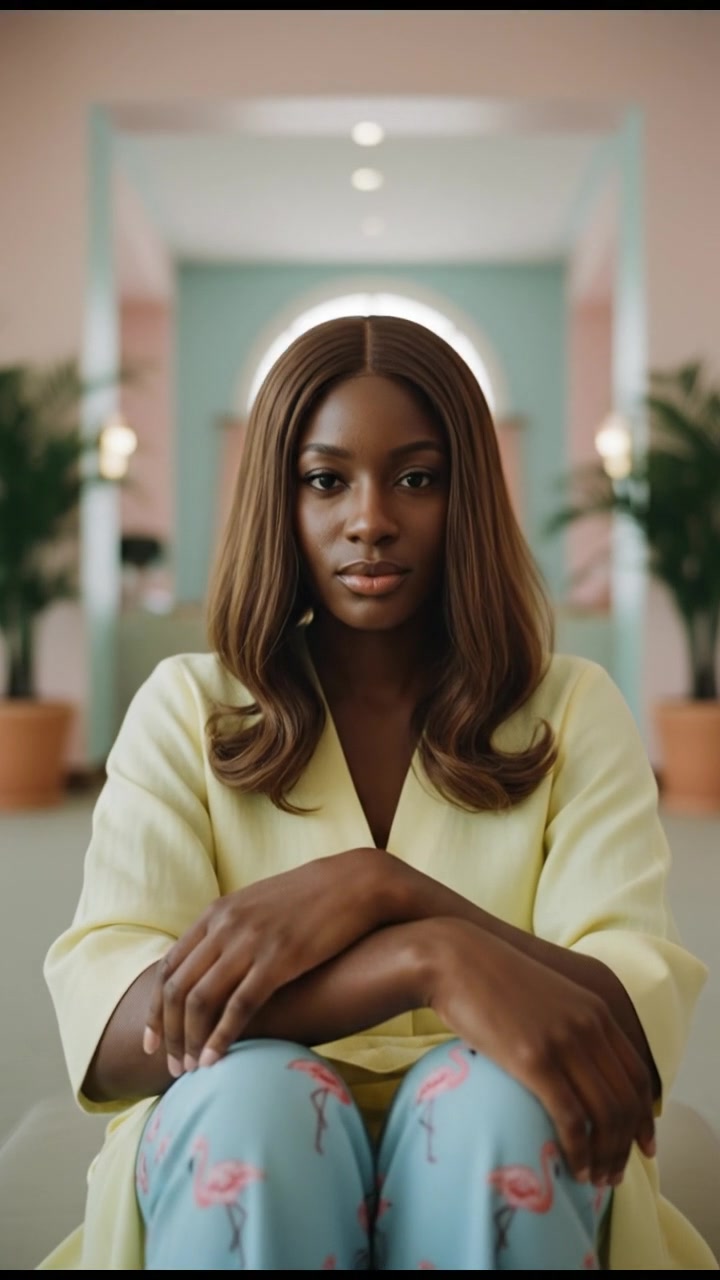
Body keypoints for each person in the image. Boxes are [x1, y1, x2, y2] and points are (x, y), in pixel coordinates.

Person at [42, 315, 716, 1271]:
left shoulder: (573, 708)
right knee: (252, 1103)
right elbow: (119, 1034)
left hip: (502, 1146)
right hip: (245, 1139)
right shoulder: (186, 707)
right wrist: (422, 962)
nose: (370, 519)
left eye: (418, 478)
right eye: (326, 480)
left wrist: (388, 893)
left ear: (468, 495)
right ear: (280, 498)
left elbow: (625, 1037)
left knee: (498, 1110)